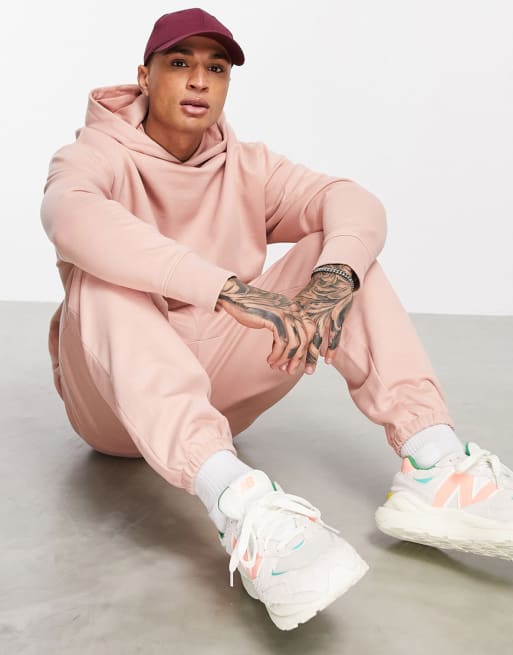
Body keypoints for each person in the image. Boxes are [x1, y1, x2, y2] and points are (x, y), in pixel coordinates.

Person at [39, 7, 513, 631]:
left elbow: (351, 200)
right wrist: (225, 289)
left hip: (220, 393)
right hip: (115, 407)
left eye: (216, 68)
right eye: (180, 63)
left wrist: (332, 279)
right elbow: (71, 218)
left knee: (340, 258)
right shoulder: (92, 157)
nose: (199, 80)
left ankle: (434, 463)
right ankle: (241, 504)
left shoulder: (246, 165)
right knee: (103, 277)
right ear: (145, 76)